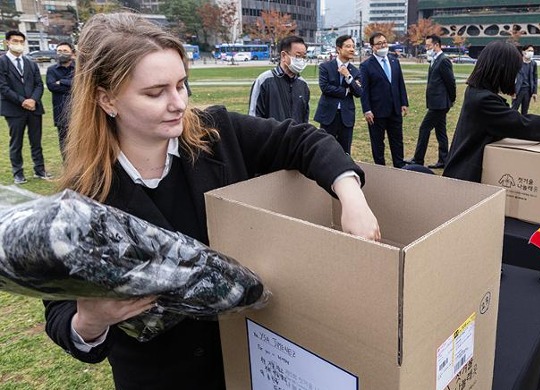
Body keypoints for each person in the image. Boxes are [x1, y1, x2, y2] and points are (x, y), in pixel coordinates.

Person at [43, 13, 380, 390]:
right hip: (157, 378)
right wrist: (90, 320)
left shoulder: (216, 133)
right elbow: (60, 314)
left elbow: (302, 140)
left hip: (244, 363)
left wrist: (350, 195)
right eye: (155, 92)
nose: (177, 103)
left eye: (181, 85)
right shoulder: (81, 198)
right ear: (106, 99)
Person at [443, 40, 540, 183]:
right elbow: (519, 123)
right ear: (502, 70)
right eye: (514, 72)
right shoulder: (484, 101)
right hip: (465, 179)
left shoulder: (477, 91)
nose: (514, 77)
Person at [0, 31, 51, 184]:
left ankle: (40, 169)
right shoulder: (2, 62)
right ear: (7, 42)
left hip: (34, 108)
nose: (19, 44)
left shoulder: (30, 63)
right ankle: (18, 172)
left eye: (22, 41)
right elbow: (3, 87)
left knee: (36, 141)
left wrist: (33, 100)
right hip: (14, 109)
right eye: (15, 41)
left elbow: (39, 84)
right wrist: (23, 101)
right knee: (16, 142)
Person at [360, 32, 409, 168]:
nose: (383, 45)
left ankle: (400, 167)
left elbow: (400, 83)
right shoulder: (366, 65)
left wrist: (404, 102)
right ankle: (380, 168)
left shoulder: (394, 61)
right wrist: (367, 110)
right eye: (379, 43)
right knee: (378, 143)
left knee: (397, 141)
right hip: (377, 112)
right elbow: (364, 90)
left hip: (395, 109)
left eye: (384, 42)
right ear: (372, 47)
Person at [406, 34, 455, 169]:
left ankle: (418, 159)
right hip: (436, 103)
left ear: (436, 45)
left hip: (440, 104)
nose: (427, 48)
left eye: (428, 46)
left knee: (424, 128)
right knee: (441, 131)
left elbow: (451, 82)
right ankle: (444, 159)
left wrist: (451, 99)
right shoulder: (435, 60)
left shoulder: (443, 61)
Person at [313, 34, 363, 154]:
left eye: (353, 47)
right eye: (348, 46)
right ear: (339, 49)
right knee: (325, 149)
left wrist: (348, 76)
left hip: (346, 116)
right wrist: (346, 91)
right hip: (328, 115)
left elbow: (359, 92)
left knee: (345, 151)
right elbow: (325, 88)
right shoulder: (325, 67)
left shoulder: (355, 71)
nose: (352, 49)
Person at [248, 35, 310, 123]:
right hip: (271, 136)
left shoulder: (303, 85)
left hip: (296, 136)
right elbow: (253, 117)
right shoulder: (264, 80)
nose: (301, 60)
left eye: (304, 57)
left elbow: (305, 119)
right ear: (284, 55)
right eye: (297, 56)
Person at [46, 41, 75, 157]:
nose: (62, 53)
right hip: (61, 111)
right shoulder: (51, 70)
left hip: (78, 110)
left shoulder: (80, 68)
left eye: (65, 51)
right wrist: (71, 85)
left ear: (72, 53)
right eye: (59, 51)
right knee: (64, 144)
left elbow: (80, 85)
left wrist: (61, 82)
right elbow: (51, 86)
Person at [511, 44, 538, 115]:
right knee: (514, 109)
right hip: (518, 90)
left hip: (528, 91)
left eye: (532, 51)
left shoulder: (533, 64)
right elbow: (512, 77)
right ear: (523, 52)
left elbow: (535, 78)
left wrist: (534, 92)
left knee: (525, 111)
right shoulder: (517, 62)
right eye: (529, 50)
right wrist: (512, 90)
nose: (531, 52)